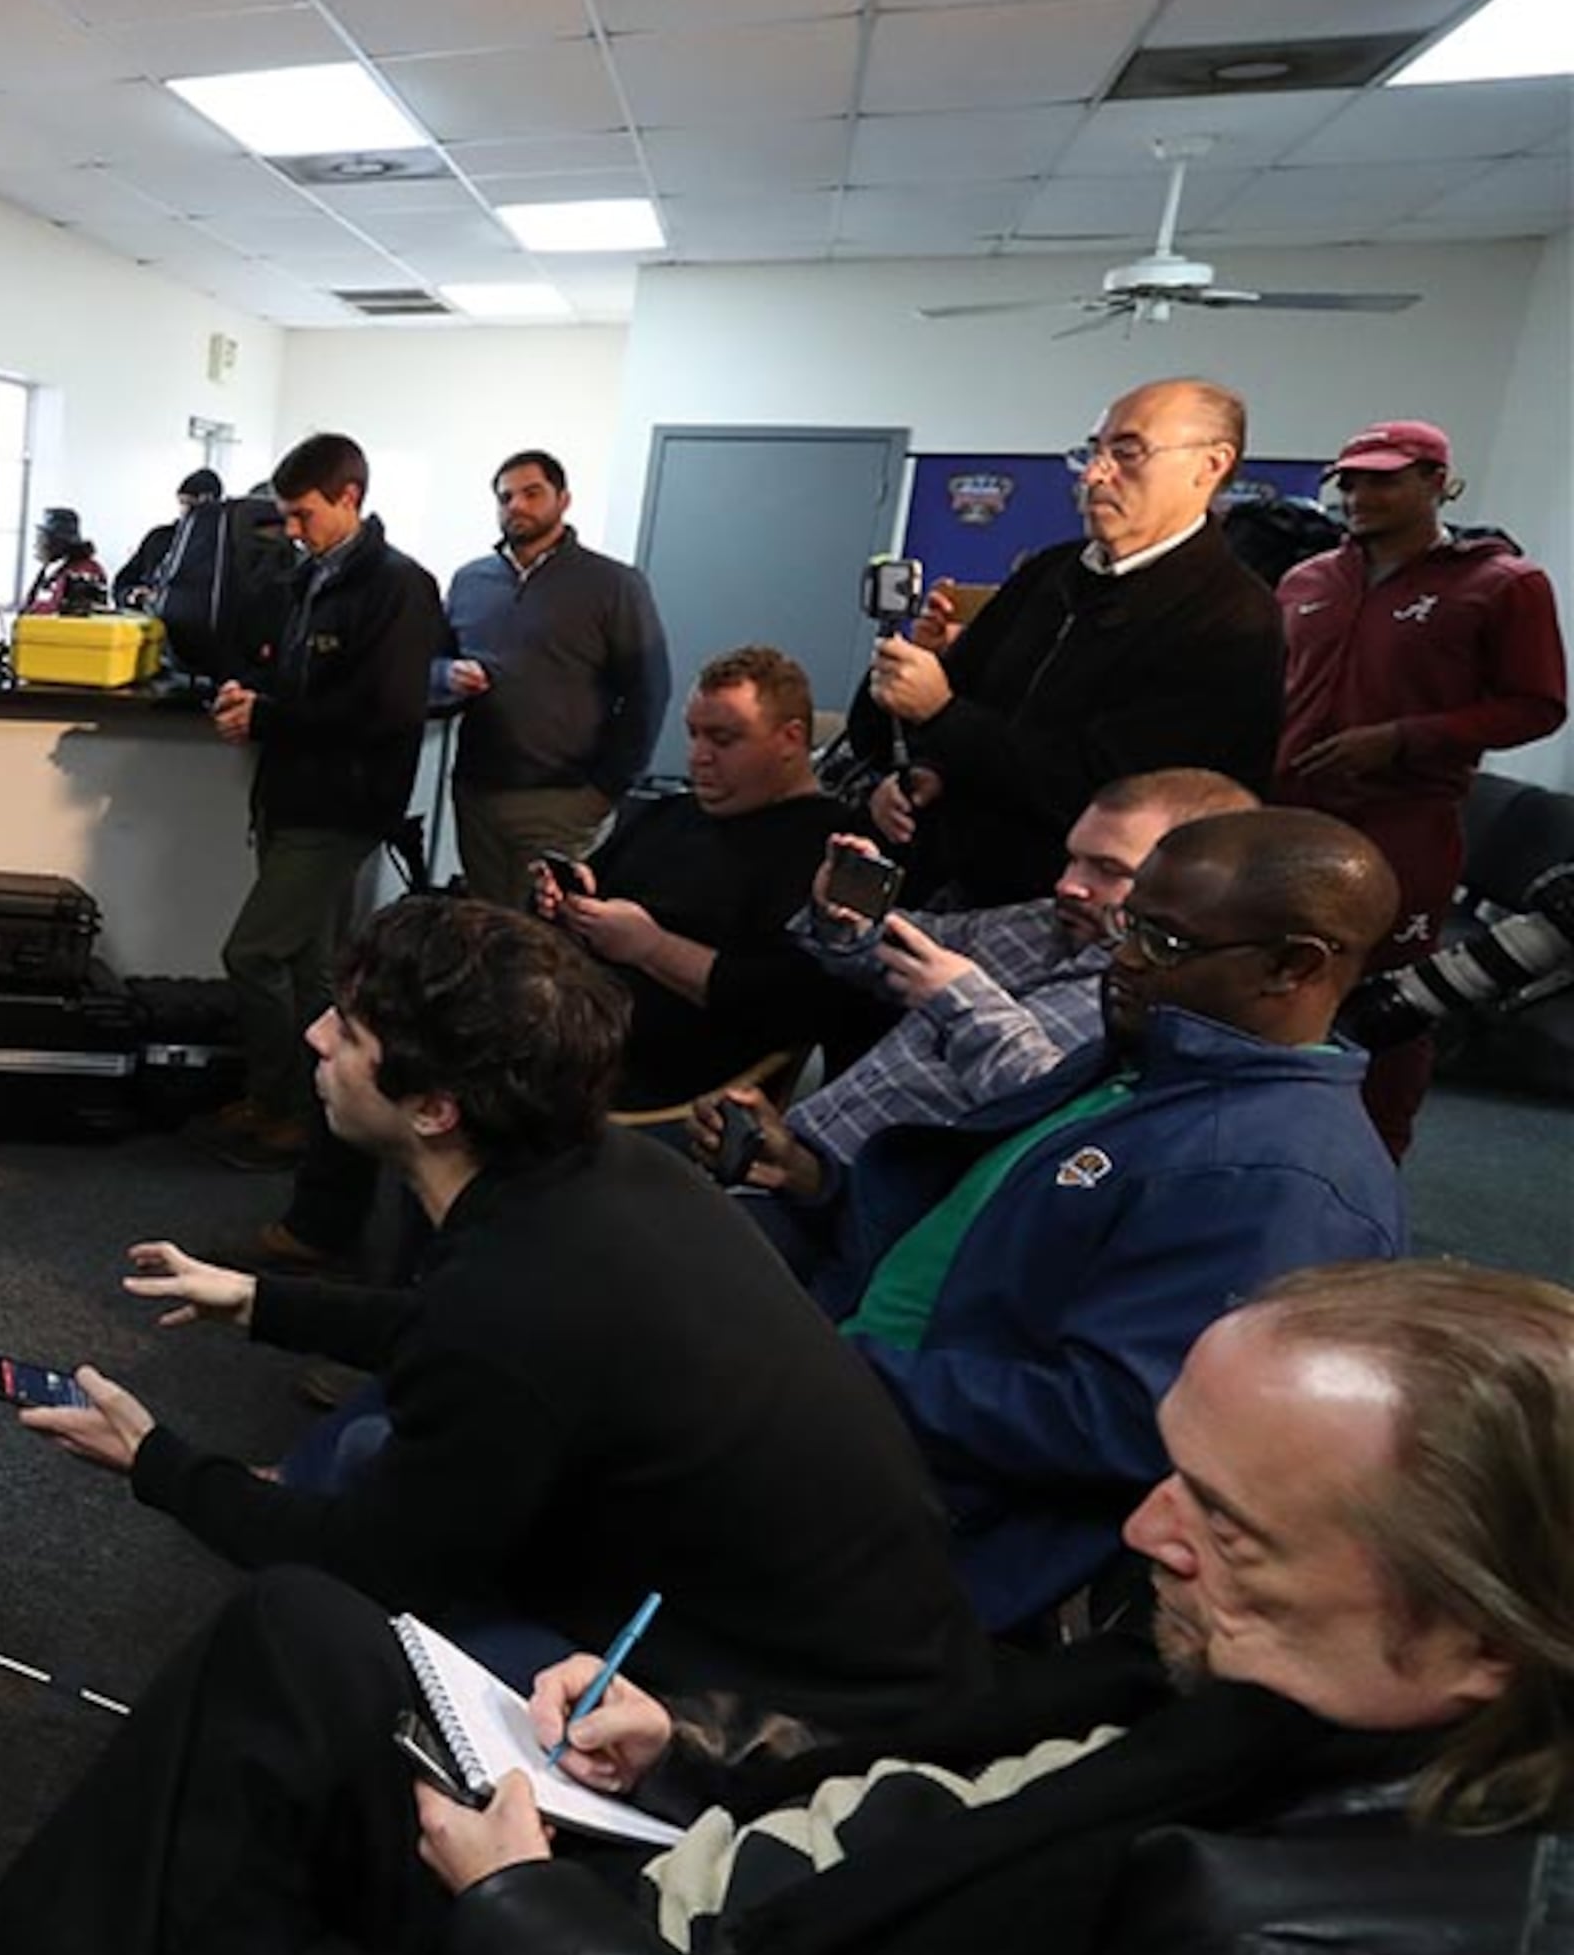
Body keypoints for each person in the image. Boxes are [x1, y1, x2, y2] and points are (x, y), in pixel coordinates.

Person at [0, 1258, 1572, 1955]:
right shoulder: (1275, 1685)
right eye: (1173, 1474)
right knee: (304, 1640)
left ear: (1479, 1638)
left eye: (1232, 1524)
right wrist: (696, 1738)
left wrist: (523, 1911)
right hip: (715, 1884)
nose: (1143, 1534)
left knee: (309, 1661)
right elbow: (962, 1762)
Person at [21, 899, 985, 1730]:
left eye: (349, 1033)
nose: (316, 1035)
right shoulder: (606, 1177)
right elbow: (464, 1337)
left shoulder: (520, 1292)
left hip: (777, 1714)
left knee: (321, 1618)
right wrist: (261, 1302)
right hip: (863, 1635)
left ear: (434, 1108)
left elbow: (373, 1562)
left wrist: (157, 1462)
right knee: (362, 1461)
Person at [762, 808, 1405, 1632]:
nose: (1124, 959)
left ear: (1293, 966)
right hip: (860, 1392)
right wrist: (821, 1190)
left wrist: (835, 1370)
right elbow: (982, 1240)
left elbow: (1122, 1421)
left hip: (917, 1513)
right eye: (1131, 926)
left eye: (1166, 944)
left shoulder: (1275, 1179)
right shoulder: (1152, 1068)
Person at [845, 377, 1284, 909]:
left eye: (1128, 452)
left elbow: (1111, 794)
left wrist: (943, 716)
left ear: (1211, 465)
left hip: (1068, 915)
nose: (1097, 474)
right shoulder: (1051, 572)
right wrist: (921, 771)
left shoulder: (1232, 617)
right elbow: (937, 721)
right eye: (1092, 452)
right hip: (937, 880)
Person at [711, 767, 1257, 1182]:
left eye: (1109, 871)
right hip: (796, 1146)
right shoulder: (1045, 922)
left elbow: (1058, 1117)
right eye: (1073, 860)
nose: (1069, 884)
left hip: (869, 1214)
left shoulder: (1159, 1002)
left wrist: (962, 1003)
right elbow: (899, 949)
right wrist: (844, 914)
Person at [1271, 418, 1567, 1156]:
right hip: (1290, 819)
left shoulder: (1502, 584)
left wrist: (1405, 738)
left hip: (1404, 827)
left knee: (1394, 1008)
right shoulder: (1307, 579)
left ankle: (1376, 1157)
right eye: (1352, 480)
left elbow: (1538, 706)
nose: (1361, 494)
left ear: (1436, 482)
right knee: (1276, 979)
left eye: (1385, 478)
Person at [205, 434, 445, 1208]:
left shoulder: (400, 586)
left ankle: (278, 1107)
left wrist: (270, 714)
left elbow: (387, 709)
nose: (295, 530)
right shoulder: (312, 576)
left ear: (350, 497)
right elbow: (289, 671)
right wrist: (252, 694)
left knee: (251, 953)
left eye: (304, 514)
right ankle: (316, 1117)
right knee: (310, 969)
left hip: (340, 804)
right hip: (291, 794)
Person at [535, 647, 879, 1113]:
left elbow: (799, 1004)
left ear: (790, 740)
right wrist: (560, 900)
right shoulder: (669, 813)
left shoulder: (835, 850)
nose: (699, 757)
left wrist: (653, 948)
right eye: (693, 735)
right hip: (565, 1028)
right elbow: (591, 887)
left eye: (723, 739)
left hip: (660, 1077)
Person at [434, 450, 669, 905]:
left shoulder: (614, 585)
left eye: (531, 493)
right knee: (483, 928)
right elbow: (432, 664)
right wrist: (446, 674)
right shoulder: (470, 582)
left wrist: (605, 789)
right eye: (505, 497)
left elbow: (649, 691)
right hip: (477, 791)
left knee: (547, 940)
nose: (516, 506)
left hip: (563, 798)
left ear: (563, 500)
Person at [114, 467, 219, 614]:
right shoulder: (158, 538)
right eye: (183, 503)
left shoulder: (221, 550)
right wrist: (133, 595)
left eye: (193, 505)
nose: (186, 511)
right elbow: (122, 583)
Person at [20, 505, 107, 616]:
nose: (36, 544)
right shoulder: (51, 569)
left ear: (57, 542)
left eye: (42, 538)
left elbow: (71, 613)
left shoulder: (86, 571)